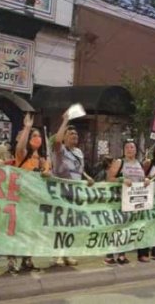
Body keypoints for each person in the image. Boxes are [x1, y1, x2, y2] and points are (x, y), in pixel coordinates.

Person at [7, 113, 48, 273]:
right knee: (16, 230)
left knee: (31, 230)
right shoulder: (23, 154)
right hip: (19, 198)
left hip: (34, 200)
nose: (37, 138)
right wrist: (27, 127)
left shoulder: (43, 158)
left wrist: (47, 173)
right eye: (34, 136)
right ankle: (12, 260)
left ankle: (27, 259)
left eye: (39, 136)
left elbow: (47, 174)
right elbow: (19, 147)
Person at [50, 112, 91, 267]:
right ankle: (56, 255)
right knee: (60, 224)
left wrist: (87, 177)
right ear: (65, 137)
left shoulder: (79, 152)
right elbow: (57, 140)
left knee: (71, 225)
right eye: (71, 133)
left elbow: (78, 170)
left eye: (76, 133)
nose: (75, 135)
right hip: (60, 191)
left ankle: (67, 254)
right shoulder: (60, 151)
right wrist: (65, 121)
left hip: (75, 193)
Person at [106, 139, 150, 264]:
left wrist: (146, 180)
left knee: (127, 228)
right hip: (119, 200)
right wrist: (121, 180)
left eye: (132, 147)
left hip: (134, 201)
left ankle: (122, 255)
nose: (130, 149)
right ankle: (109, 255)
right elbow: (109, 178)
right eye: (127, 147)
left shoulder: (139, 164)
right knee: (117, 228)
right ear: (124, 150)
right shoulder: (120, 162)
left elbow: (141, 178)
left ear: (136, 150)